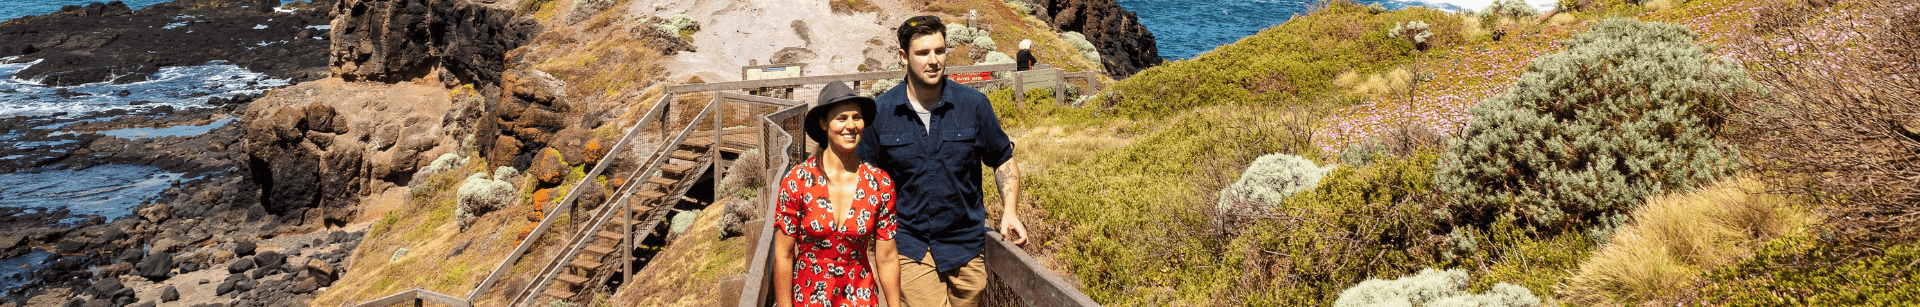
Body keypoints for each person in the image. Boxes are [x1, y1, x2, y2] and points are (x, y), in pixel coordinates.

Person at [857, 15, 1026, 307]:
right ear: (903, 57)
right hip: (910, 246)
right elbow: (863, 177)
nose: (933, 60)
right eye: (922, 53)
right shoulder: (881, 112)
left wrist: (1009, 211)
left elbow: (1002, 160)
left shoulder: (973, 105)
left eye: (939, 50)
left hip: (967, 245)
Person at [774, 81, 902, 307]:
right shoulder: (797, 181)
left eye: (856, 117)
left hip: (860, 299)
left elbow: (887, 257)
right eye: (841, 118)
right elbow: (784, 255)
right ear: (824, 123)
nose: (851, 125)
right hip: (809, 299)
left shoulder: (880, 184)